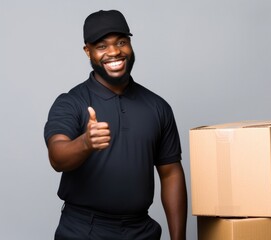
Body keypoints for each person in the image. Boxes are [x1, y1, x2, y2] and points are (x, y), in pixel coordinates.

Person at [44, 9, 187, 240]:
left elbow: (171, 173)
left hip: (141, 230)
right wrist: (85, 142)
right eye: (102, 46)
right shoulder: (71, 102)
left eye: (121, 42)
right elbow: (56, 157)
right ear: (87, 51)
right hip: (83, 230)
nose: (114, 52)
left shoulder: (158, 106)